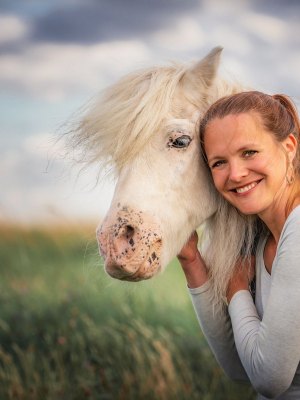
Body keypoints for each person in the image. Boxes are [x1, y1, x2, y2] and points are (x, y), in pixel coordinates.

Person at [177, 91, 300, 399]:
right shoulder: (261, 239)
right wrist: (192, 260)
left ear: (289, 148)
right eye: (219, 162)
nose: (235, 174)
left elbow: (269, 380)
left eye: (248, 153)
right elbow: (239, 368)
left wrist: (236, 289)